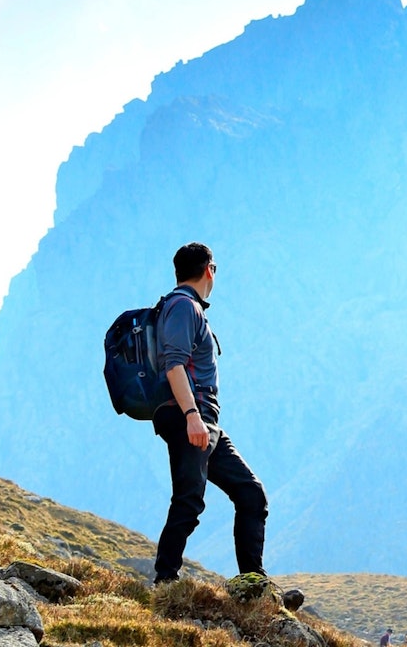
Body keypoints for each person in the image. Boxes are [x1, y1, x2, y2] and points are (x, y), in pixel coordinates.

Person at [152, 242, 269, 585]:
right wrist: (191, 415)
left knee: (250, 493)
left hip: (204, 422)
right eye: (215, 267)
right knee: (189, 499)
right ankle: (165, 581)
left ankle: (253, 583)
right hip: (193, 418)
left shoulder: (181, 308)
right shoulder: (184, 307)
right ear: (208, 270)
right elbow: (173, 364)